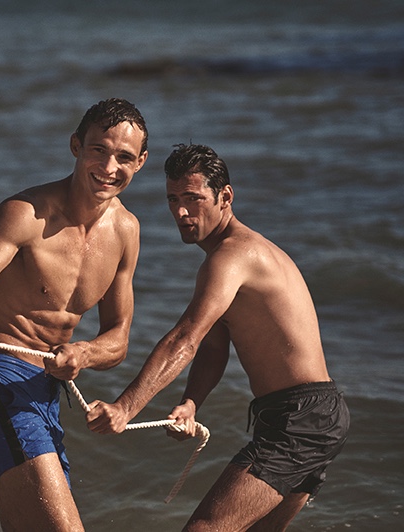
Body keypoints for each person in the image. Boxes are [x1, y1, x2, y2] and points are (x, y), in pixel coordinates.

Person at [86, 144, 349, 531]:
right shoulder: (230, 260)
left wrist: (126, 408)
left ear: (225, 197)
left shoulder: (232, 256)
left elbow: (184, 339)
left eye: (193, 199)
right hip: (310, 415)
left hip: (301, 418)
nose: (180, 212)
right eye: (173, 199)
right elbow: (211, 348)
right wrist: (191, 402)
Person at [0, 98, 149, 531]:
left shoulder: (126, 231)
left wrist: (84, 353)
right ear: (76, 146)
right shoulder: (26, 214)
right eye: (99, 149)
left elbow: (118, 338)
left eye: (124, 157)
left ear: (141, 162)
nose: (109, 167)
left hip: (46, 392)